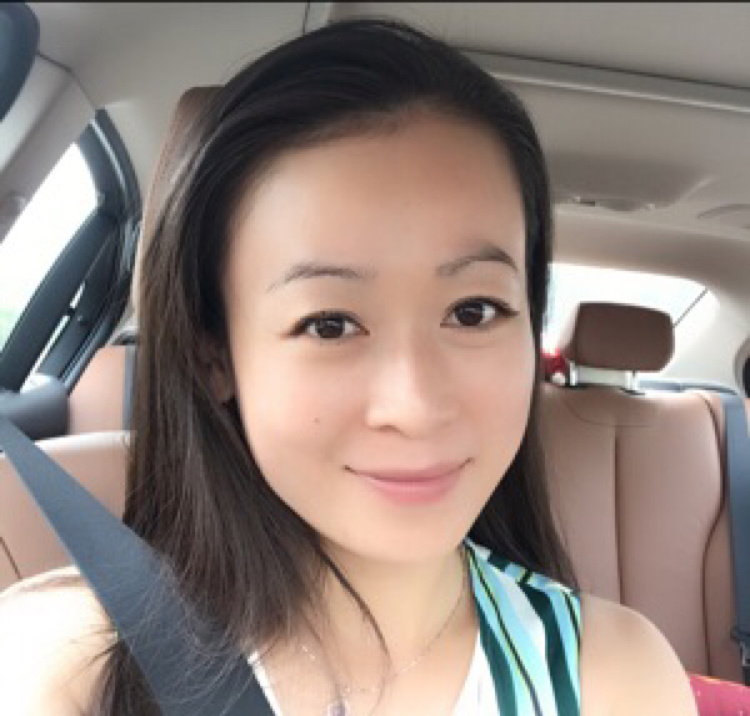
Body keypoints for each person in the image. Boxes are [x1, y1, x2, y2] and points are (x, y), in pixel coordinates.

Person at [0, 17, 698, 716]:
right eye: (329, 324)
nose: (415, 405)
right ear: (217, 357)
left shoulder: (614, 673)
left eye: (474, 311)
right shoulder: (67, 662)